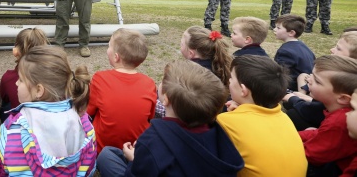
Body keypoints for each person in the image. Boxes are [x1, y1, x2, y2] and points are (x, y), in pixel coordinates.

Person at [97, 60, 244, 177]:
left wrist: (135, 159)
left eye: (162, 81)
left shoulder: (152, 139)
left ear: (165, 99)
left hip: (150, 162)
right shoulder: (220, 134)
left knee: (106, 156)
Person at [0, 45, 96, 176]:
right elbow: (89, 169)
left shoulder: (11, 130)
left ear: (39, 90)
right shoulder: (85, 124)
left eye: (21, 80)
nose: (16, 83)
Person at [217, 55, 307, 176]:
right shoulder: (284, 117)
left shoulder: (225, 121)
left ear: (243, 90)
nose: (229, 81)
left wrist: (231, 116)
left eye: (231, 78)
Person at [86, 28, 156, 153]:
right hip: (136, 149)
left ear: (116, 57)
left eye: (109, 46)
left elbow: (88, 111)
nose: (107, 50)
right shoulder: (149, 83)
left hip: (102, 149)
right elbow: (150, 116)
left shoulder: (100, 78)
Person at [298, 55, 357, 177]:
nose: (309, 80)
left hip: (333, 169)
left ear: (343, 98)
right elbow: (321, 134)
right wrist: (294, 135)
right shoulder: (341, 113)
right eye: (312, 75)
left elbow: (311, 155)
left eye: (317, 81)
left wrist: (284, 144)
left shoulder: (340, 121)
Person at [0, 27, 49, 115]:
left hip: (20, 122)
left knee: (4, 104)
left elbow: (2, 102)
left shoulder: (8, 78)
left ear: (16, 52)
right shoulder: (55, 76)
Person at [273, 14, 316, 91]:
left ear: (291, 33)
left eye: (278, 28)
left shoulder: (285, 52)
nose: (274, 29)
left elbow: (281, 75)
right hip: (308, 85)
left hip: (296, 90)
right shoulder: (303, 46)